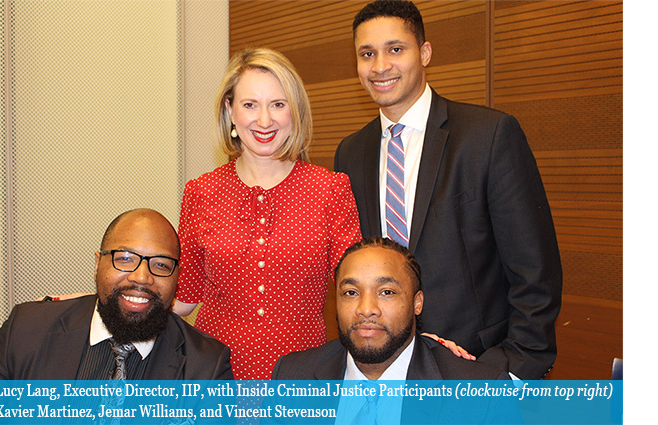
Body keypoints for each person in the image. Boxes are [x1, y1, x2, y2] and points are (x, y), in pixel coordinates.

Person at [333, 0, 562, 380]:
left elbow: (535, 270)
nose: (380, 66)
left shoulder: (488, 136)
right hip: (384, 370)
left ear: (424, 53)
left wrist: (514, 369)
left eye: (395, 49)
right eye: (367, 53)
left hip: (478, 367)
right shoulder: (350, 152)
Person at [172, 48, 362, 380]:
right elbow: (183, 298)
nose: (264, 120)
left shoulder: (330, 189)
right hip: (215, 374)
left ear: (295, 111)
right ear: (230, 111)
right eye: (250, 105)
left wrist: (416, 336)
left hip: (302, 376)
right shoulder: (200, 192)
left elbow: (360, 290)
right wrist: (102, 306)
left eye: (278, 104)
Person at [0, 208, 233, 380]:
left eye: (160, 264)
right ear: (97, 264)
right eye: (125, 259)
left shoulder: (206, 367)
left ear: (177, 277)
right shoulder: (25, 331)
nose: (142, 277)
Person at [271, 237, 508, 381]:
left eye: (386, 292)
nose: (366, 309)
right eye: (351, 293)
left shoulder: (481, 391)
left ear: (418, 303)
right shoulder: (293, 376)